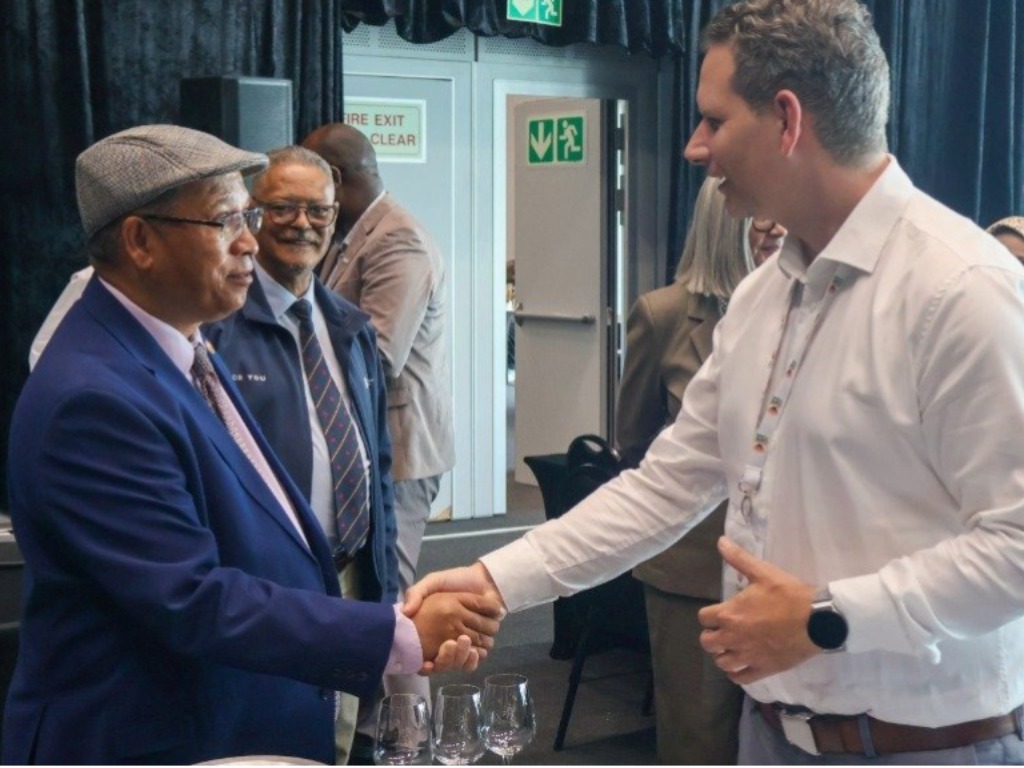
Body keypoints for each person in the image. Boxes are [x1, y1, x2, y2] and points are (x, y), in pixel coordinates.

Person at [407, 0, 1024, 764]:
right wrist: (492, 579)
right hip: (767, 735)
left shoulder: (961, 290)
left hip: (925, 749)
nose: (695, 147)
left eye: (714, 120)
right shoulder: (764, 296)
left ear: (787, 120)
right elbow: (666, 488)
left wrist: (828, 617)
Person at [3, 124, 501, 765]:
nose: (249, 241)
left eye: (249, 216)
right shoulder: (94, 397)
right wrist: (393, 633)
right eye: (225, 221)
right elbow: (190, 599)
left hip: (230, 712)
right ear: (140, 241)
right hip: (149, 736)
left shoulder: (182, 345)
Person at [202, 145, 398, 764]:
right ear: (251, 214)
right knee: (270, 744)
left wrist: (385, 587)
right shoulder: (215, 331)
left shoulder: (351, 328)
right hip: (266, 593)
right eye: (283, 207)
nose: (302, 223)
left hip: (349, 579)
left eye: (319, 210)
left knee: (335, 742)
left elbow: (378, 468)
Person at [616, 177, 785, 764]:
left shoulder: (807, 311)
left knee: (781, 737)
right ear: (724, 222)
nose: (777, 228)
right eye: (762, 216)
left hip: (788, 576)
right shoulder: (663, 314)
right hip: (692, 572)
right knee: (700, 739)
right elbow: (635, 444)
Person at [303, 123, 455, 706]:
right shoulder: (352, 233)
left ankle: (411, 737)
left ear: (335, 178)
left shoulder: (399, 240)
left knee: (395, 601)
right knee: (370, 596)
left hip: (401, 448)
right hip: (364, 448)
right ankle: (375, 731)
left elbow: (379, 355)